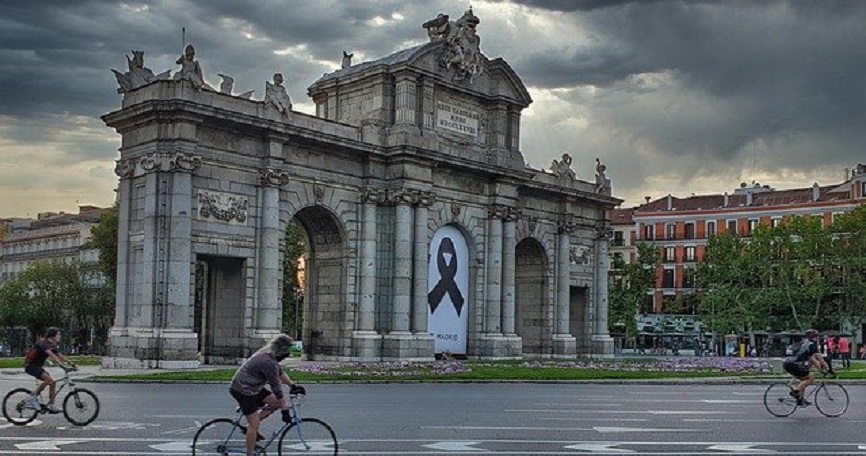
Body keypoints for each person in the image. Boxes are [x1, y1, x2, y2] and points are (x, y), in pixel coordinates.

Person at [229, 334, 298, 456]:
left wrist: (293, 385)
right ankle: (250, 453)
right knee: (254, 424)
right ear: (281, 351)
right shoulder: (268, 362)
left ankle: (248, 427)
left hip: (253, 387)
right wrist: (285, 410)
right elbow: (277, 388)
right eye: (287, 352)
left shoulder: (270, 353)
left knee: (275, 403)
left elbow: (280, 372)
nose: (288, 355)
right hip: (243, 390)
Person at [23, 327, 77, 413]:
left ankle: (52, 405)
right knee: (47, 379)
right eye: (58, 334)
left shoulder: (51, 344)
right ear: (52, 336)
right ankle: (32, 399)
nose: (60, 336)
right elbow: (51, 355)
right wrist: (62, 366)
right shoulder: (44, 342)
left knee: (52, 382)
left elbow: (59, 355)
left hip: (37, 366)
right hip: (30, 366)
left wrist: (71, 364)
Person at [782, 329, 831, 406]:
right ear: (811, 337)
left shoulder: (804, 343)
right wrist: (827, 367)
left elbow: (813, 359)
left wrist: (820, 370)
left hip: (788, 363)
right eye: (816, 336)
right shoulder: (811, 345)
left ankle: (800, 400)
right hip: (794, 364)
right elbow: (819, 358)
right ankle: (795, 391)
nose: (817, 338)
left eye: (818, 336)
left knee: (804, 380)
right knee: (811, 378)